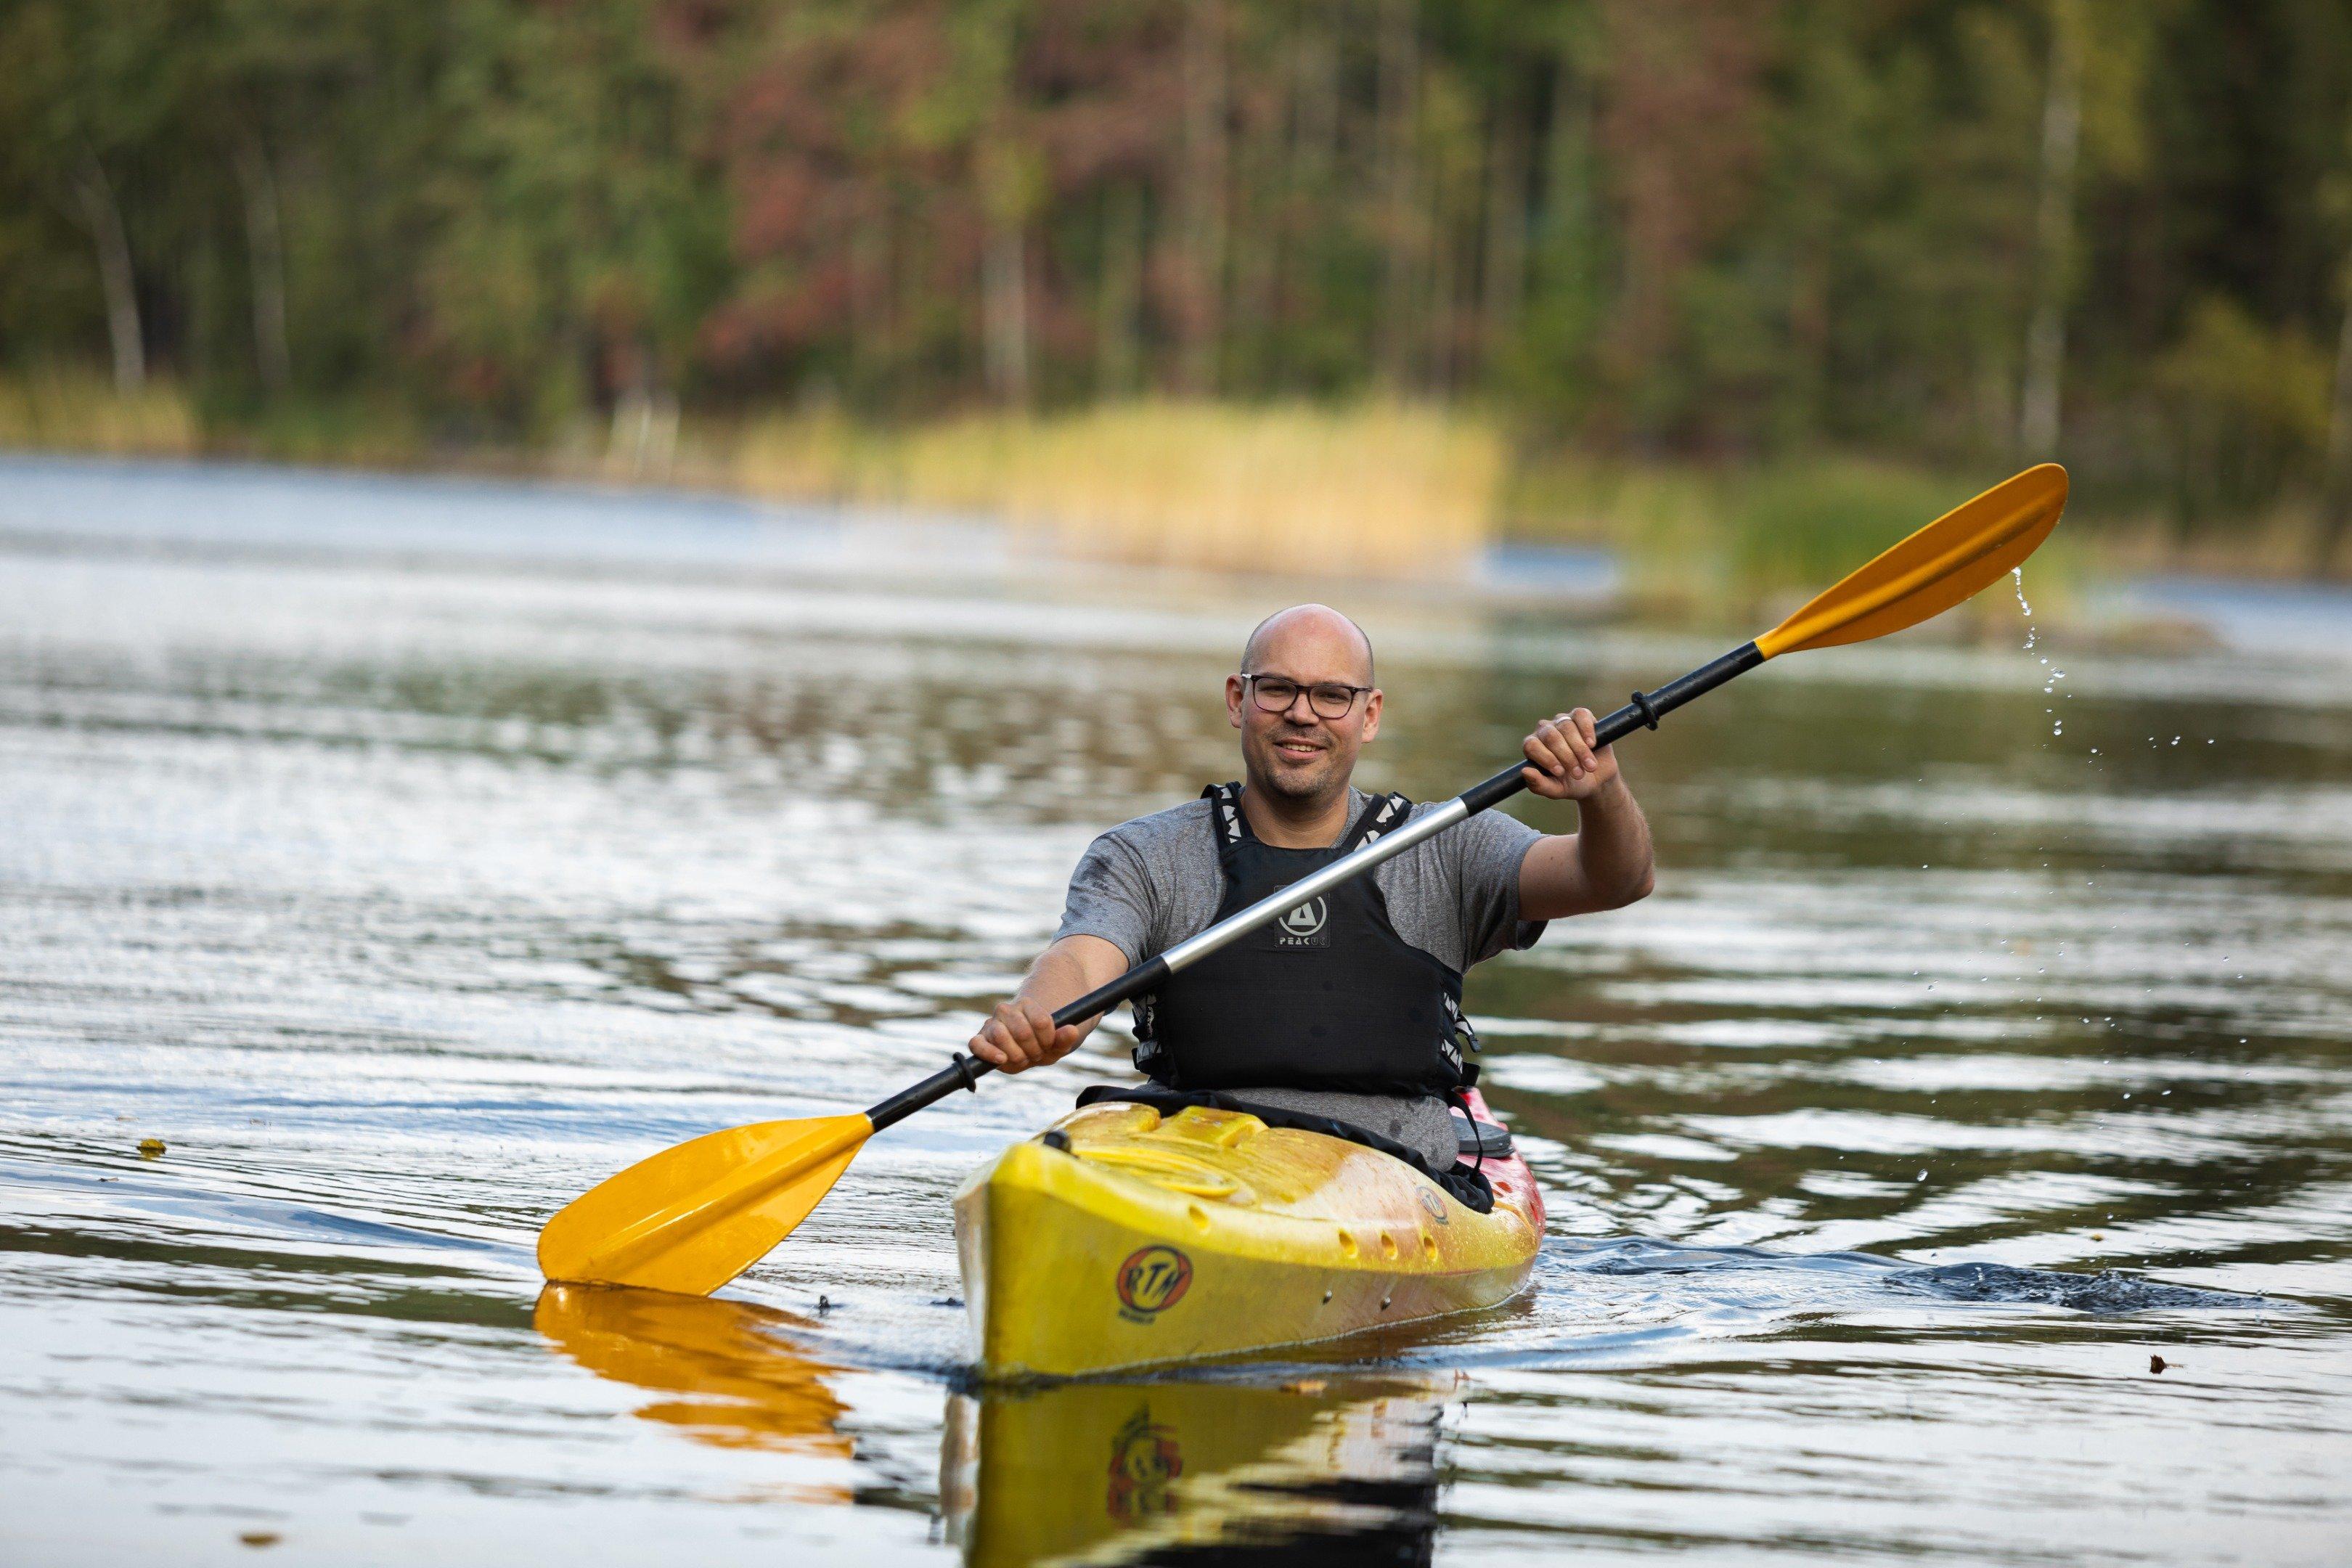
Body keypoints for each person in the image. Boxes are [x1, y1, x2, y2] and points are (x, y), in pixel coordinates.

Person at [965, 603, 1654, 1175]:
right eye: (1278, 689)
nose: (1303, 714)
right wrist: (1041, 1019)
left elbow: (1615, 881)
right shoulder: (1146, 853)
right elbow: (1084, 961)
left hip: (1393, 1172)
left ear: (1370, 714)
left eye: (1332, 695)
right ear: (1239, 701)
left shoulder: (1448, 844)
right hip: (1195, 1159)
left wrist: (1603, 794)